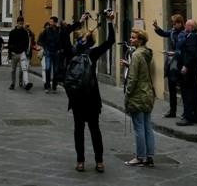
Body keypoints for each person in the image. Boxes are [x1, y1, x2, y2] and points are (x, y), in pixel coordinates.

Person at [62, 9, 116, 173]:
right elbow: (111, 41)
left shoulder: (71, 53)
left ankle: (80, 162)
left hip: (76, 97)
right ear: (91, 41)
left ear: (77, 39)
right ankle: (99, 161)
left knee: (79, 130)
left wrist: (78, 22)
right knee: (95, 130)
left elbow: (63, 35)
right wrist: (110, 22)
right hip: (92, 97)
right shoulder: (93, 53)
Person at [121, 26, 156, 166]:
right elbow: (142, 71)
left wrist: (128, 92)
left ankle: (139, 157)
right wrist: (129, 65)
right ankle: (150, 156)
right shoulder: (146, 53)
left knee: (139, 128)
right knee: (147, 126)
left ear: (140, 40)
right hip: (147, 92)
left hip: (138, 94)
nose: (130, 39)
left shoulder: (136, 55)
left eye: (133, 38)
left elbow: (133, 78)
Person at [152, 13, 186, 118]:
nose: (173, 26)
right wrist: (156, 27)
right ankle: (172, 110)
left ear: (180, 23)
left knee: (183, 88)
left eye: (175, 24)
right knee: (171, 88)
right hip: (171, 63)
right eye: (173, 24)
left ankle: (186, 111)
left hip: (180, 63)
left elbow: (183, 50)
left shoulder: (183, 34)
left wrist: (174, 53)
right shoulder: (172, 32)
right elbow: (163, 33)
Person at [176, 18, 197, 125]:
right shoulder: (194, 35)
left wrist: (185, 66)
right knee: (194, 91)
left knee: (188, 92)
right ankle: (196, 115)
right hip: (194, 67)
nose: (184, 26)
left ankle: (188, 116)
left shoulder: (192, 37)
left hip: (191, 68)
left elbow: (192, 53)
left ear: (190, 27)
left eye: (186, 25)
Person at [38, 15, 63, 93]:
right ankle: (48, 86)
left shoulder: (59, 31)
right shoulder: (46, 30)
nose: (50, 23)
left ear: (55, 23)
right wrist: (45, 48)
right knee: (48, 68)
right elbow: (41, 40)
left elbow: (62, 40)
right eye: (49, 21)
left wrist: (60, 49)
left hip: (56, 52)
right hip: (48, 51)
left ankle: (54, 86)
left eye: (51, 22)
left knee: (56, 70)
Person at [7, 17, 33, 91]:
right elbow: (9, 43)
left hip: (22, 53)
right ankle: (13, 83)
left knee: (24, 69)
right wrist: (11, 52)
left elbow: (26, 43)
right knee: (13, 70)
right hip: (14, 53)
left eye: (22, 23)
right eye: (20, 23)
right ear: (17, 23)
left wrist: (24, 50)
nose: (21, 25)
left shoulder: (25, 32)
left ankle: (26, 83)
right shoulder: (12, 32)